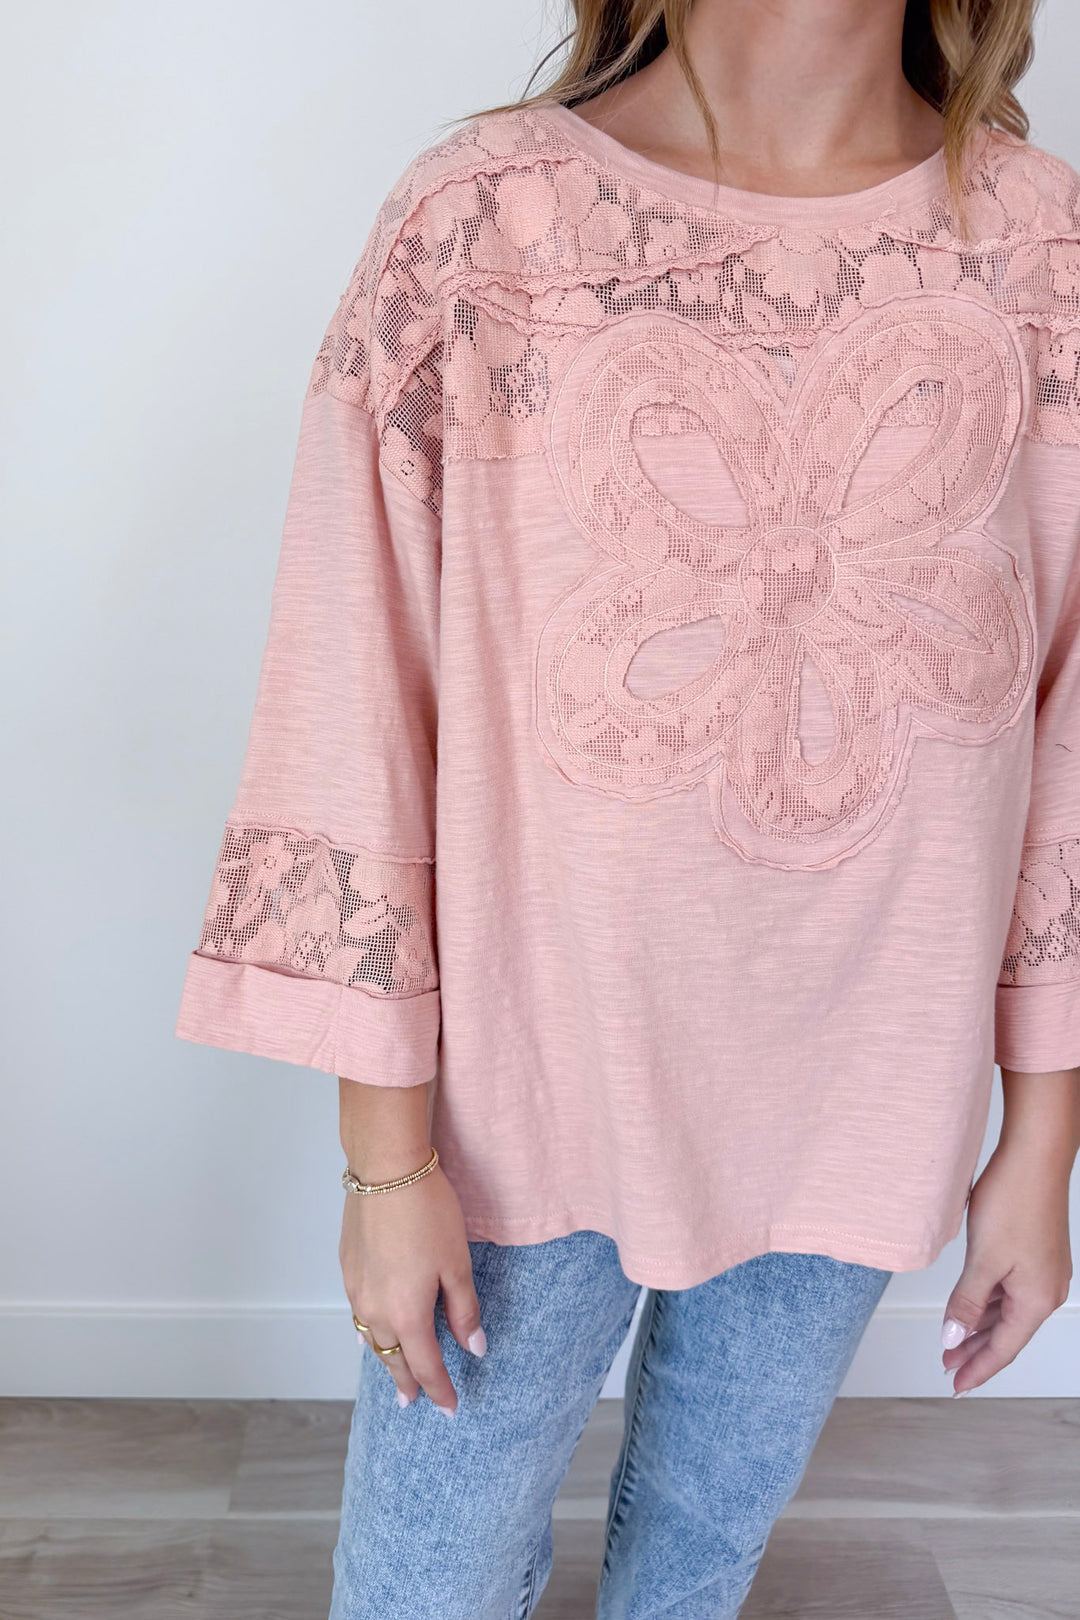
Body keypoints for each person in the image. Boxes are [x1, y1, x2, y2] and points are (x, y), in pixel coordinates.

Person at [176, 1, 1080, 1614]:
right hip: (528, 1089)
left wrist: (1043, 1140)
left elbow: (1066, 730)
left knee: (700, 1563)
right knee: (425, 1585)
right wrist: (386, 1163)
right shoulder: (486, 221)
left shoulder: (1040, 248)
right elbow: (356, 686)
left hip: (866, 1080)